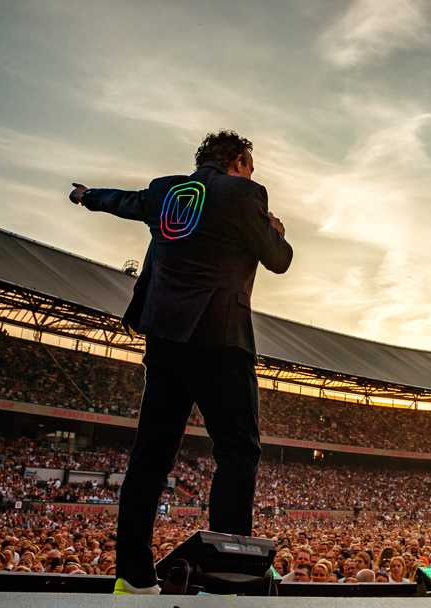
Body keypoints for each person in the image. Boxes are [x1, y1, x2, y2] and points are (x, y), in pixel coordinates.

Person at [69, 130, 293, 595]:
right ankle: (227, 575)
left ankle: (132, 577)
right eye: (250, 166)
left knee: (150, 456)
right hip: (220, 340)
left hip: (166, 339)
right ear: (238, 161)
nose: (252, 174)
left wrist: (87, 196)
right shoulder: (244, 194)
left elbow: (123, 201)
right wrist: (275, 231)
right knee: (237, 450)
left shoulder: (165, 190)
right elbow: (277, 260)